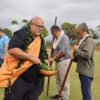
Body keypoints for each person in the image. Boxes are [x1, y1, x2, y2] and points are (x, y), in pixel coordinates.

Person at [0, 17, 49, 100]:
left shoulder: (40, 38)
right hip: (19, 78)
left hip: (36, 79)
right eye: (38, 26)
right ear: (31, 25)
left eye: (42, 27)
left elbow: (43, 54)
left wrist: (46, 62)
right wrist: (32, 58)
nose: (40, 29)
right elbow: (13, 50)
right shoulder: (21, 34)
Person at [72, 23, 95, 100]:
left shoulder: (89, 40)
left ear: (82, 30)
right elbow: (81, 56)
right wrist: (74, 58)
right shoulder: (83, 39)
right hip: (82, 71)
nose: (77, 32)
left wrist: (76, 49)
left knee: (86, 93)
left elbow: (87, 55)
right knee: (85, 92)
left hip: (86, 71)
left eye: (78, 30)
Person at [49, 25, 70, 100]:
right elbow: (55, 50)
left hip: (63, 61)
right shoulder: (56, 38)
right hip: (58, 61)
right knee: (58, 79)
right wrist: (52, 58)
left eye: (53, 34)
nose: (53, 36)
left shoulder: (64, 38)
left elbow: (62, 52)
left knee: (64, 80)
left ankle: (64, 97)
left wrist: (53, 58)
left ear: (56, 31)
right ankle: (59, 95)